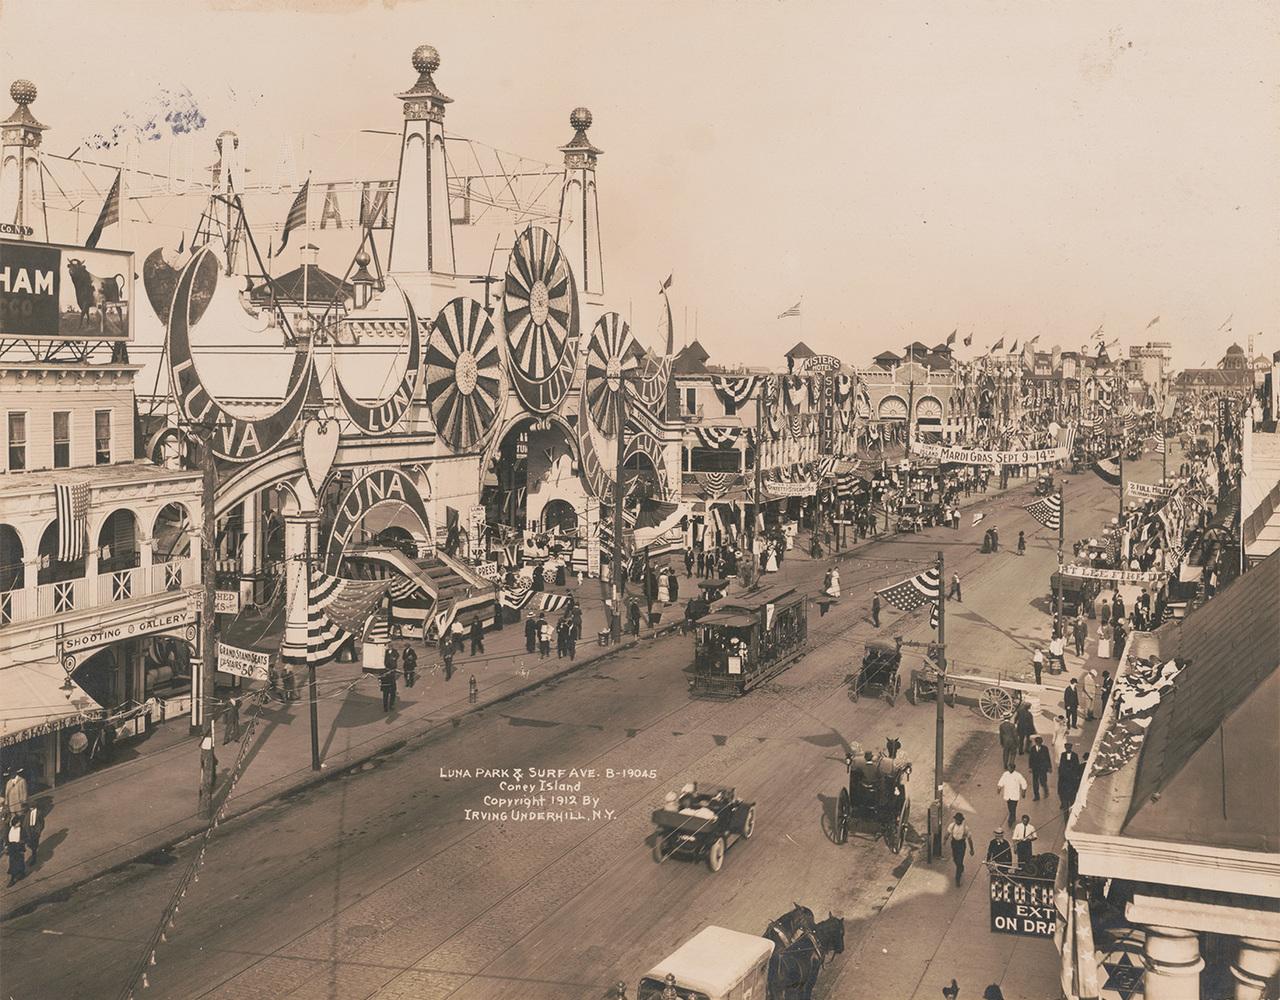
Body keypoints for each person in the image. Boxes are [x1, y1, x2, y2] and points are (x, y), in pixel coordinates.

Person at [943, 811, 975, 886]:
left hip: (961, 845)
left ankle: (957, 878)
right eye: (956, 819)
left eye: (959, 820)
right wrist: (945, 840)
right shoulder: (952, 825)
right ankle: (961, 867)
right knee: (955, 859)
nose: (957, 821)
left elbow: (969, 839)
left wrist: (971, 849)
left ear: (961, 820)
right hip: (954, 844)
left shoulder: (965, 828)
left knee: (959, 860)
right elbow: (947, 834)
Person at [996, 763, 1027, 828]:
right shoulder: (1005, 774)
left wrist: (1023, 792)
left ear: (1013, 768)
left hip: (1014, 795)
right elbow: (1001, 781)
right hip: (1008, 795)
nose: (1009, 769)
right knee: (1010, 807)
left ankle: (1011, 819)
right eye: (1009, 768)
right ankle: (1013, 816)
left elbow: (1024, 783)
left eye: (1010, 768)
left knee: (1013, 807)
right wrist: (999, 788)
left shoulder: (1018, 775)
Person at [1028, 736, 1052, 801]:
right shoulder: (1032, 749)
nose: (1039, 744)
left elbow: (1048, 758)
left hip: (1043, 768)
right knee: (1035, 783)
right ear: (1035, 742)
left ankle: (1046, 791)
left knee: (1043, 781)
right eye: (1037, 742)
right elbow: (1030, 759)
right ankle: (1036, 796)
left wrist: (1049, 767)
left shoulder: (1045, 748)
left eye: (1040, 742)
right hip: (1035, 768)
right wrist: (1030, 767)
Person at [23, 800, 44, 866]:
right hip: (29, 829)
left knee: (34, 844)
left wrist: (38, 831)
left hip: (35, 830)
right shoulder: (28, 813)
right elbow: (26, 821)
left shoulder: (39, 813)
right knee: (29, 843)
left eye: (32, 807)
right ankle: (34, 851)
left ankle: (34, 857)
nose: (30, 808)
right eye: (30, 807)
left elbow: (41, 823)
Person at [6, 814, 26, 886]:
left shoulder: (21, 829)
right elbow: (7, 838)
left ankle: (22, 873)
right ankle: (12, 878)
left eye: (19, 822)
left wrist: (22, 842)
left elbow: (25, 837)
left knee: (20, 861)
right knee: (13, 863)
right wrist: (7, 846)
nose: (19, 823)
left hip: (19, 847)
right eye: (18, 822)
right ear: (14, 823)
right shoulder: (9, 829)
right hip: (12, 848)